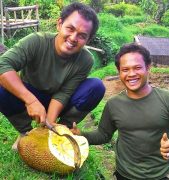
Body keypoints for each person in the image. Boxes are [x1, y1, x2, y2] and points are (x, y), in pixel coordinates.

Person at [0, 2, 105, 150]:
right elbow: (3, 65)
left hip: (57, 99)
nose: (73, 38)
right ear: (59, 24)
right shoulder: (36, 41)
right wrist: (30, 101)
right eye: (70, 28)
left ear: (88, 40)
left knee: (96, 87)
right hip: (29, 94)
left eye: (82, 36)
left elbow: (64, 93)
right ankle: (26, 132)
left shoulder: (86, 60)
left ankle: (59, 131)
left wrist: (48, 124)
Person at [71, 43, 169, 179]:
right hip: (125, 175)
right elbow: (104, 134)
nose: (131, 74)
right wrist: (81, 135)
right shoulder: (113, 104)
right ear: (119, 72)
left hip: (161, 175)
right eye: (125, 69)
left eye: (137, 68)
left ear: (148, 67)